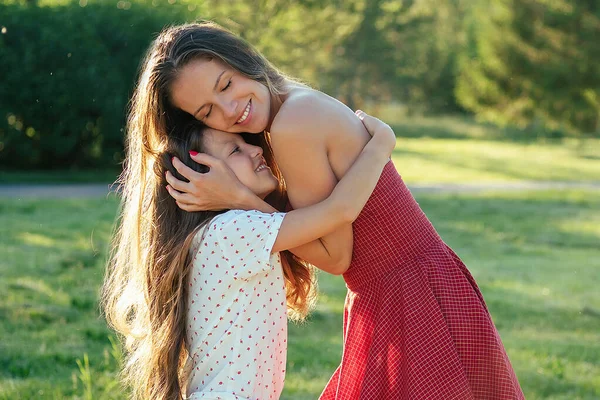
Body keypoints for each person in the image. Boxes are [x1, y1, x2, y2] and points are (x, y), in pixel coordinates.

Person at [128, 21, 525, 399]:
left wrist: (240, 199)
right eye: (207, 112)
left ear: (242, 57)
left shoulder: (292, 122)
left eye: (226, 84)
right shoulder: (291, 108)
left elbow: (336, 257)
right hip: (414, 285)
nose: (229, 110)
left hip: (407, 295)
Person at [102, 112, 396, 399]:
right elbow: (339, 211)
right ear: (201, 176)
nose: (255, 150)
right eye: (235, 150)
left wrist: (242, 197)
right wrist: (382, 143)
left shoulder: (219, 233)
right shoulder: (231, 232)